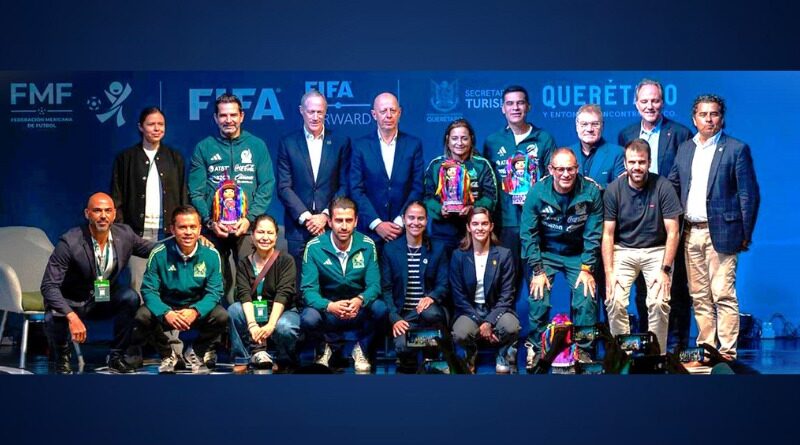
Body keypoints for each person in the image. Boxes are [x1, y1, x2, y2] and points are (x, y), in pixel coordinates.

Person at [668, 94, 760, 360]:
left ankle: (727, 352)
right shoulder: (685, 149)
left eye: (714, 114)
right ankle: (706, 349)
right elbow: (673, 185)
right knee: (699, 296)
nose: (709, 119)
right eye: (703, 114)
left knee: (723, 295)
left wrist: (745, 234)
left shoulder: (736, 149)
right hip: (690, 232)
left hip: (723, 233)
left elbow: (749, 195)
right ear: (694, 119)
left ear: (722, 117)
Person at [618, 79, 693, 349]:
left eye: (655, 100)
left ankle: (677, 346)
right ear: (636, 104)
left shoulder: (681, 133)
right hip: (639, 220)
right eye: (645, 101)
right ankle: (649, 343)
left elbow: (686, 178)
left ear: (663, 101)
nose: (650, 106)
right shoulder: (626, 134)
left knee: (676, 285)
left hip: (671, 216)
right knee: (643, 288)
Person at [40, 192, 150, 374]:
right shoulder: (70, 242)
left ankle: (116, 356)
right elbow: (48, 286)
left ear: (114, 214)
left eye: (108, 211)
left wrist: (185, 241)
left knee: (130, 297)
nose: (103, 216)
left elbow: (152, 249)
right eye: (97, 211)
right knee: (54, 313)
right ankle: (62, 357)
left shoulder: (125, 235)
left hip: (101, 300)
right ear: (87, 214)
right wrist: (72, 317)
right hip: (73, 302)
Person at [519, 148, 604, 371]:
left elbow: (593, 234)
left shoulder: (591, 191)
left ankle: (584, 350)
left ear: (577, 168)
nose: (565, 174)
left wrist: (587, 267)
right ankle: (537, 348)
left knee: (586, 296)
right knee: (538, 296)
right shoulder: (537, 192)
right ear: (550, 170)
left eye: (570, 169)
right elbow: (528, 234)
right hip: (547, 253)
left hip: (578, 254)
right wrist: (538, 270)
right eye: (560, 169)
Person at [188, 93, 275, 300]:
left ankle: (247, 320)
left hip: (246, 228)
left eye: (233, 115)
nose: (229, 120)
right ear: (216, 118)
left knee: (250, 281)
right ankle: (216, 321)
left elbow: (266, 186)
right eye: (223, 115)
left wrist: (249, 219)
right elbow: (196, 192)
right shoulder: (204, 147)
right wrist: (209, 222)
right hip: (214, 229)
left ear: (241, 116)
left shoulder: (257, 146)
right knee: (213, 282)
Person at [602, 139, 683, 354]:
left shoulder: (663, 186)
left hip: (657, 251)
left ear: (649, 162)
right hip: (623, 250)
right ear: (625, 163)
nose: (636, 167)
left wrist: (665, 270)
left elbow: (673, 232)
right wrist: (609, 272)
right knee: (614, 301)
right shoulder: (613, 190)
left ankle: (656, 356)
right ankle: (623, 355)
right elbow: (608, 234)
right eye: (632, 162)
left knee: (658, 302)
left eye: (641, 162)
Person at [135, 205, 227, 374]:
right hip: (167, 307)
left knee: (222, 316)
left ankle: (196, 353)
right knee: (142, 316)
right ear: (172, 229)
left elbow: (215, 292)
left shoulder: (211, 254)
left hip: (195, 308)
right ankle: (167, 355)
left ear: (200, 229)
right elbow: (148, 290)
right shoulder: (159, 253)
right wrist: (165, 312)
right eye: (182, 227)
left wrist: (195, 311)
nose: (188, 232)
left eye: (193, 227)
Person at [300, 197, 388, 373]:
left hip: (358, 308)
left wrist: (360, 299)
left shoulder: (367, 244)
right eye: (339, 220)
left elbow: (374, 286)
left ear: (356, 221)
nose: (344, 226)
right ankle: (324, 349)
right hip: (328, 310)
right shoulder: (314, 247)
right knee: (308, 318)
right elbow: (308, 291)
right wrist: (329, 306)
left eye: (349, 220)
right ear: (330, 222)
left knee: (381, 309)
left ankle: (361, 349)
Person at [277, 90, 351, 291]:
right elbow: (283, 187)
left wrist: (326, 215)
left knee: (331, 285)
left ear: (326, 112)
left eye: (320, 112)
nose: (315, 117)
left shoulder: (341, 142)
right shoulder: (288, 143)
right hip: (298, 227)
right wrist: (307, 218)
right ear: (301, 111)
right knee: (299, 285)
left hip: (330, 226)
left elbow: (344, 184)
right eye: (311, 112)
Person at [110, 106, 188, 293]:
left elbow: (183, 196)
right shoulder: (126, 158)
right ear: (140, 127)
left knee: (171, 288)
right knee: (138, 288)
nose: (157, 128)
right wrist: (123, 231)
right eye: (151, 124)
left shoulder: (175, 158)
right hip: (137, 236)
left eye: (161, 124)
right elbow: (117, 198)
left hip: (168, 235)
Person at [483, 85, 556, 263]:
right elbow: (487, 183)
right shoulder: (492, 142)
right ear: (503, 108)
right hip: (504, 223)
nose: (515, 108)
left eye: (520, 103)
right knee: (506, 279)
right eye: (510, 104)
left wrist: (535, 198)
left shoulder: (544, 138)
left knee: (537, 277)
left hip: (536, 222)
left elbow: (553, 179)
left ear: (528, 107)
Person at [349, 92, 424, 250]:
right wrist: (376, 224)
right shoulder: (360, 146)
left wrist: (400, 221)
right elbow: (356, 189)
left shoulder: (413, 144)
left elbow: (417, 187)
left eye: (392, 110)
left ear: (399, 113)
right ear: (374, 114)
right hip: (369, 233)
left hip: (403, 232)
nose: (388, 115)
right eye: (383, 111)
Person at [380, 201, 448, 372]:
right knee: (403, 346)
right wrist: (395, 318)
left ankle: (432, 354)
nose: (415, 222)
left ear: (426, 221)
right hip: (404, 316)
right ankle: (426, 346)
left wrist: (431, 297)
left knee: (430, 312)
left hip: (429, 314)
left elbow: (443, 284)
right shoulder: (390, 249)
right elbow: (386, 289)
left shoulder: (438, 248)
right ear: (403, 219)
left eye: (420, 218)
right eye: (411, 218)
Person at [450, 207, 519, 374]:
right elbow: (458, 297)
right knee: (460, 333)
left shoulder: (504, 255)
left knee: (512, 327)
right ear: (468, 227)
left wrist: (489, 321)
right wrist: (480, 322)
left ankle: (502, 353)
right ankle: (471, 351)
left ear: (491, 226)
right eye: (475, 224)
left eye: (484, 224)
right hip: (469, 310)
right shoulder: (458, 256)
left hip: (497, 309)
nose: (480, 228)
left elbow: (507, 295)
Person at [227, 215, 301, 371]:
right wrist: (252, 325)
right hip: (254, 311)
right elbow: (244, 295)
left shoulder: (286, 261)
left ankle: (283, 359)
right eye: (260, 232)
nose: (265, 237)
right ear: (252, 235)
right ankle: (242, 358)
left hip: (282, 312)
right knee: (234, 310)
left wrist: (271, 324)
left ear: (276, 236)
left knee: (285, 327)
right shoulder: (244, 263)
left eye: (270, 233)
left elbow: (283, 294)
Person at [425, 118, 498, 251]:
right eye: (454, 138)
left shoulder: (482, 165)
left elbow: (491, 198)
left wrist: (473, 208)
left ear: (471, 140)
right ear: (447, 140)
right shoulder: (436, 165)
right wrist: (440, 209)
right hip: (442, 232)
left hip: (474, 232)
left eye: (464, 138)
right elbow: (426, 197)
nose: (459, 143)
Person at [570, 104, 624, 189]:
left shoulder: (618, 153)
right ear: (577, 127)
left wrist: (598, 187)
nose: (589, 129)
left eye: (595, 124)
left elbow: (621, 187)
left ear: (602, 126)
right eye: (584, 124)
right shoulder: (568, 153)